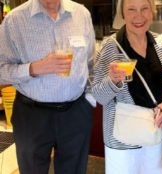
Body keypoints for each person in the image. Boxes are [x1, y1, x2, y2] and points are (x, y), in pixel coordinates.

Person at [0, 0, 95, 173]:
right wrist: (34, 68)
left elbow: (90, 63)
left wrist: (89, 99)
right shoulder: (14, 20)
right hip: (32, 116)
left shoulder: (81, 14)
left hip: (76, 113)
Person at [92, 0, 162, 173]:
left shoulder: (159, 43)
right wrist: (113, 81)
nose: (139, 16)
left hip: (155, 132)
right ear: (123, 14)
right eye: (131, 9)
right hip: (122, 140)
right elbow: (99, 95)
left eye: (144, 9)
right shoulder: (110, 47)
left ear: (152, 12)